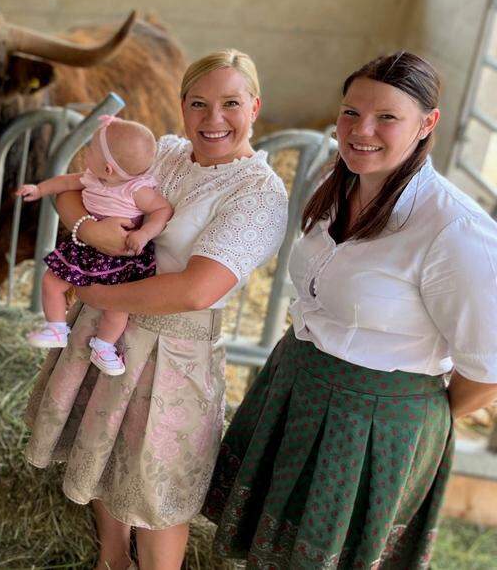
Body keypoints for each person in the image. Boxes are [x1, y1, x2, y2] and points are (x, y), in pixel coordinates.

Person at [203, 51, 497, 568]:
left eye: (387, 117)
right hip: (297, 384)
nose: (362, 130)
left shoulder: (454, 230)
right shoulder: (338, 182)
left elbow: (488, 369)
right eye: (350, 113)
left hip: (377, 421)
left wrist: (403, 413)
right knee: (267, 551)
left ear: (428, 124)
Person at [23, 49, 289, 570]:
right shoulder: (164, 151)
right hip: (107, 332)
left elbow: (196, 289)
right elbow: (80, 189)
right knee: (101, 451)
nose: (213, 120)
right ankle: (111, 560)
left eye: (230, 104)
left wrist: (97, 295)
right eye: (199, 103)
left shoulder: (260, 193)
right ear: (182, 106)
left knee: (156, 487)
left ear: (255, 106)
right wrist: (89, 229)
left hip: (173, 345)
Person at [16, 114, 173, 375]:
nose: (85, 152)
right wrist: (39, 189)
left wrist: (144, 234)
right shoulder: (92, 177)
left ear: (108, 168)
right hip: (86, 248)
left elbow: (162, 210)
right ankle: (56, 328)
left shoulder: (137, 190)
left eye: (90, 149)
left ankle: (104, 346)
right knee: (51, 282)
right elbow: (65, 182)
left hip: (119, 257)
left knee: (117, 306)